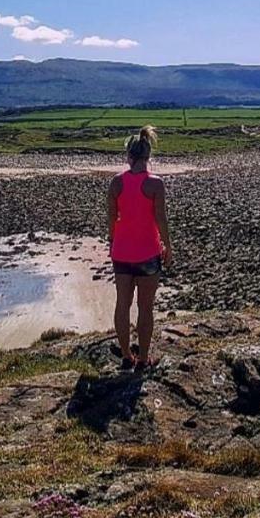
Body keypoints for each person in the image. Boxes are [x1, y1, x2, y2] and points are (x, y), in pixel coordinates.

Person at [108, 125, 173, 371]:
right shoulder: (156, 184)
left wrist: (112, 242)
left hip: (122, 253)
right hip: (148, 253)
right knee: (146, 308)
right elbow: (161, 218)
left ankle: (126, 356)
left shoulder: (117, 182)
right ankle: (143, 360)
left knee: (121, 305)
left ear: (129, 156)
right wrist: (168, 245)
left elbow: (112, 218)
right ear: (148, 157)